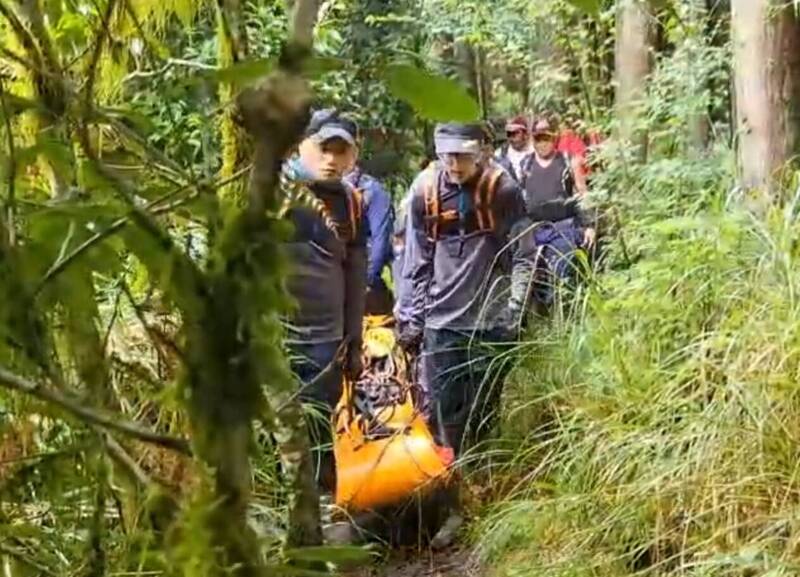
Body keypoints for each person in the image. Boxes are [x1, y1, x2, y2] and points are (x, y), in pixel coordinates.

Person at [399, 122, 535, 548]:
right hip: (442, 324)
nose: (454, 163)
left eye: (462, 154)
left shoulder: (503, 191)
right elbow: (416, 261)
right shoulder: (424, 192)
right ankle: (452, 507)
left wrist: (514, 313)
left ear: (481, 151)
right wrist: (410, 318)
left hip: (492, 324)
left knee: (484, 413)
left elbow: (524, 255)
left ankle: (484, 494)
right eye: (447, 155)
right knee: (443, 418)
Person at [282, 108, 367, 492]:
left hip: (325, 342)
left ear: (353, 155)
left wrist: (354, 342)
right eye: (323, 149)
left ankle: (322, 514)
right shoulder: (273, 191)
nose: (331, 160)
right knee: (281, 435)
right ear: (302, 146)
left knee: (319, 429)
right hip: (277, 337)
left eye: (340, 152)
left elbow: (355, 277)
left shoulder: (351, 203)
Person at [520, 114, 595, 305]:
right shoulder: (524, 165)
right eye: (538, 138)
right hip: (534, 228)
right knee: (529, 274)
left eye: (547, 137)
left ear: (555, 137)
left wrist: (590, 225)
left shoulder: (569, 161)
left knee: (561, 270)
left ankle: (564, 313)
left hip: (563, 227)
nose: (542, 143)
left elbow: (582, 194)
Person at [345, 158, 394, 316]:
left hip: (362, 271)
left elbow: (380, 238)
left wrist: (369, 279)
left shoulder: (373, 191)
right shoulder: (320, 185)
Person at [494, 115, 533, 183]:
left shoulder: (537, 154)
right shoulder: (499, 155)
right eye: (509, 134)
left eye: (516, 133)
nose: (512, 138)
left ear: (526, 134)